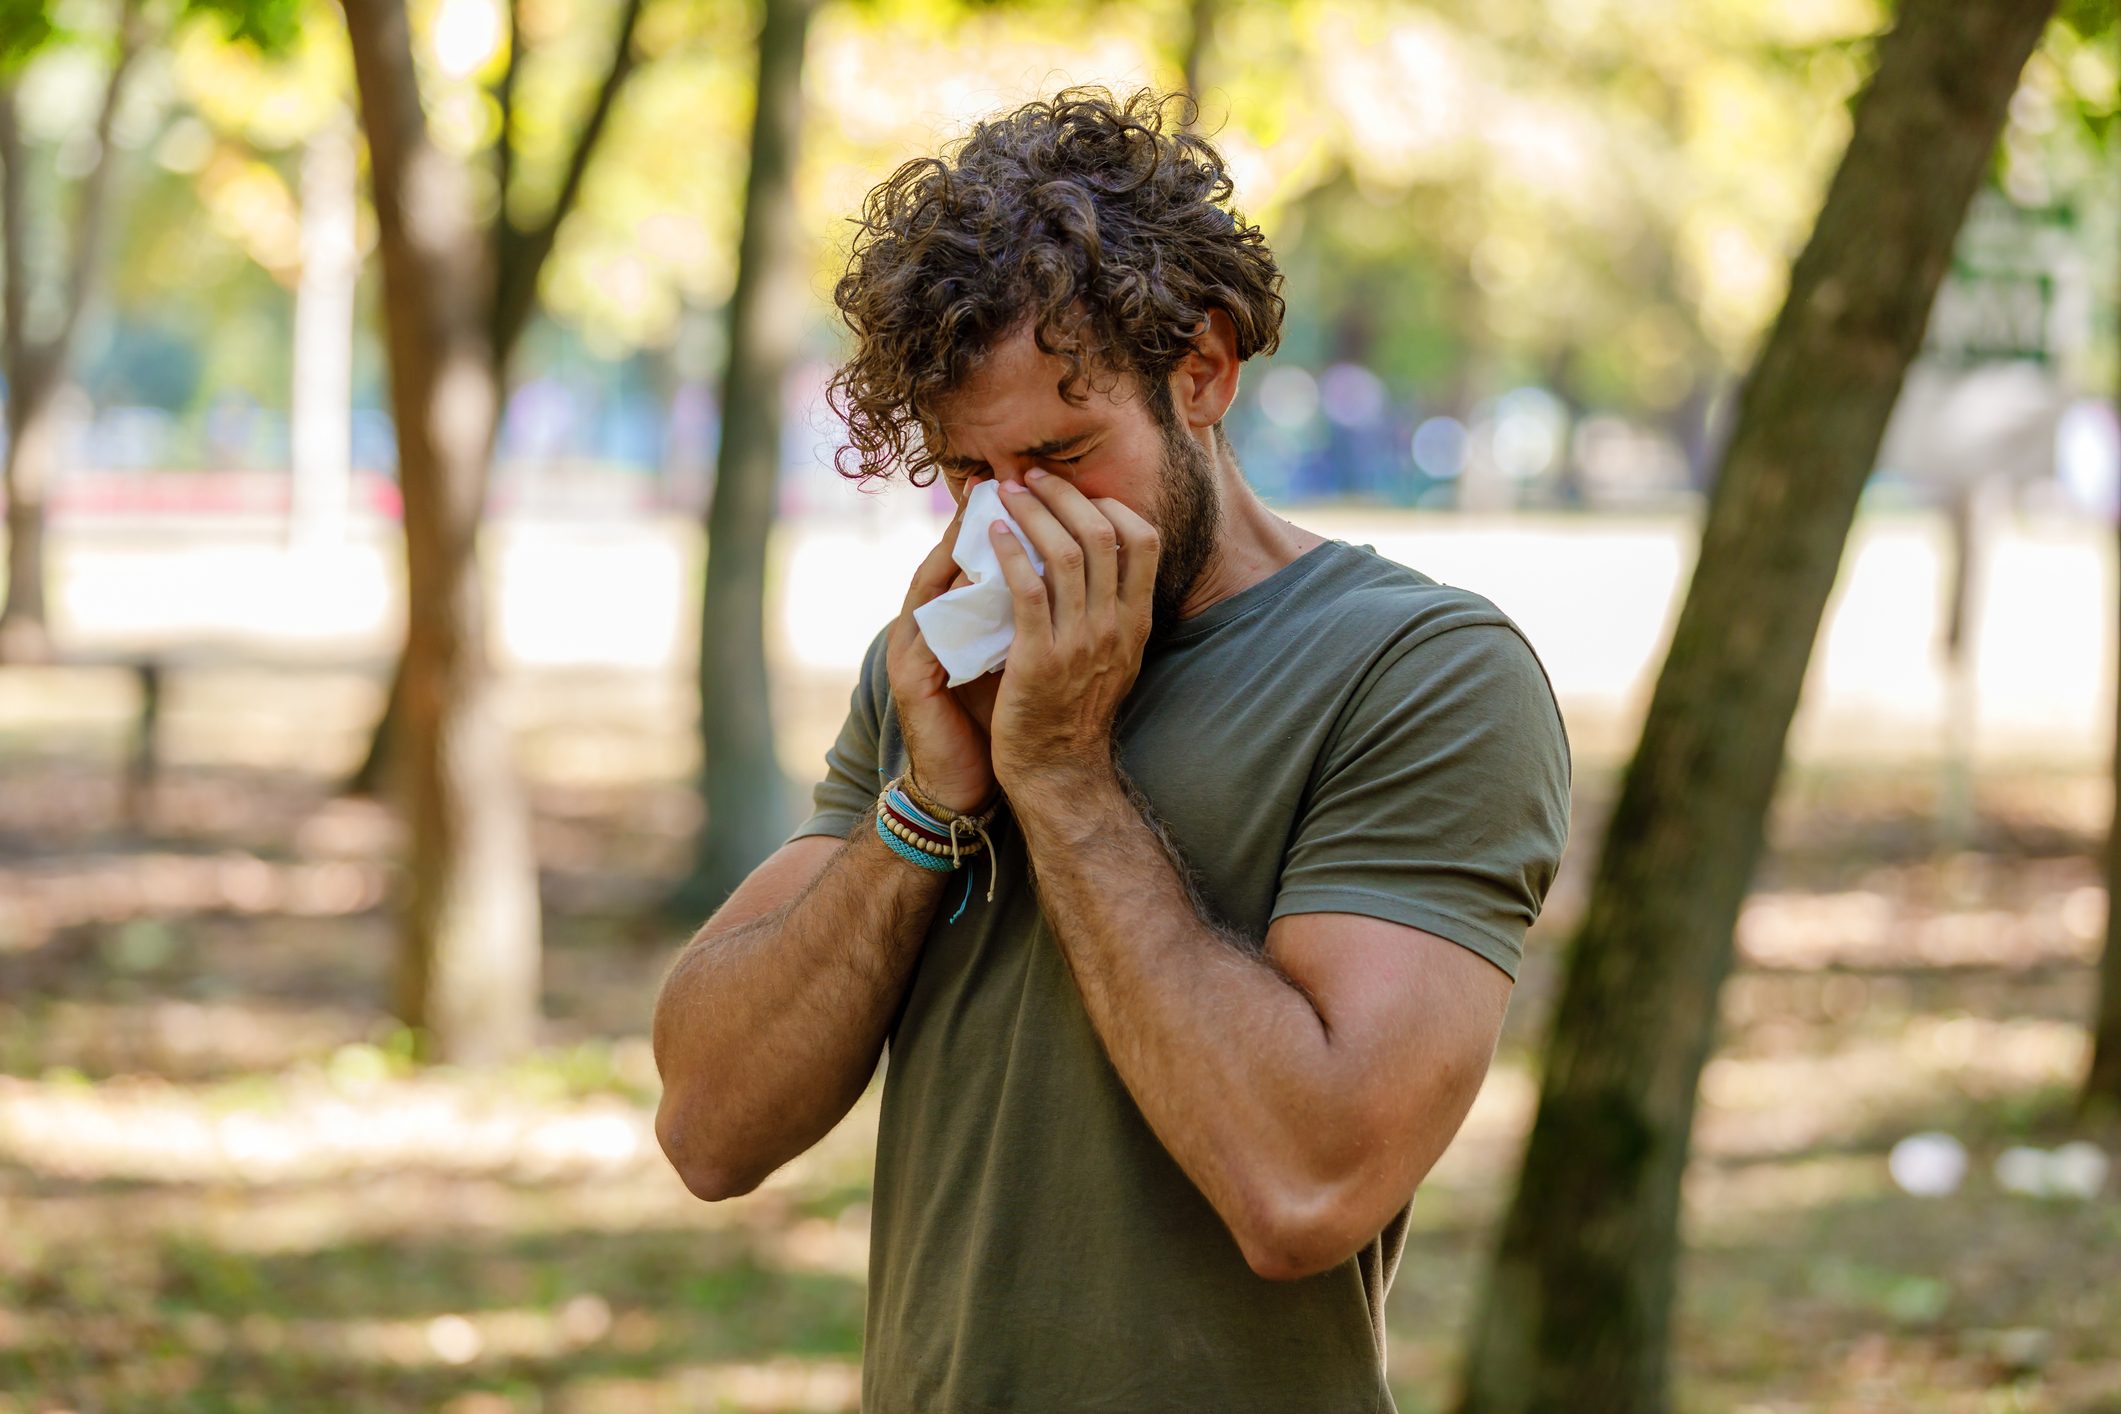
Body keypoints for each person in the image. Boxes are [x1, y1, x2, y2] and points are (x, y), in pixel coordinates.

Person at [652, 88, 1571, 1412]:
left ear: (1200, 369)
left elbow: (1303, 1186)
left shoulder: (1419, 674)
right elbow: (707, 1125)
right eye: (968, 474)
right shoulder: (940, 664)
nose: (1010, 526)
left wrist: (1066, 777)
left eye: (1059, 454)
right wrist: (926, 802)